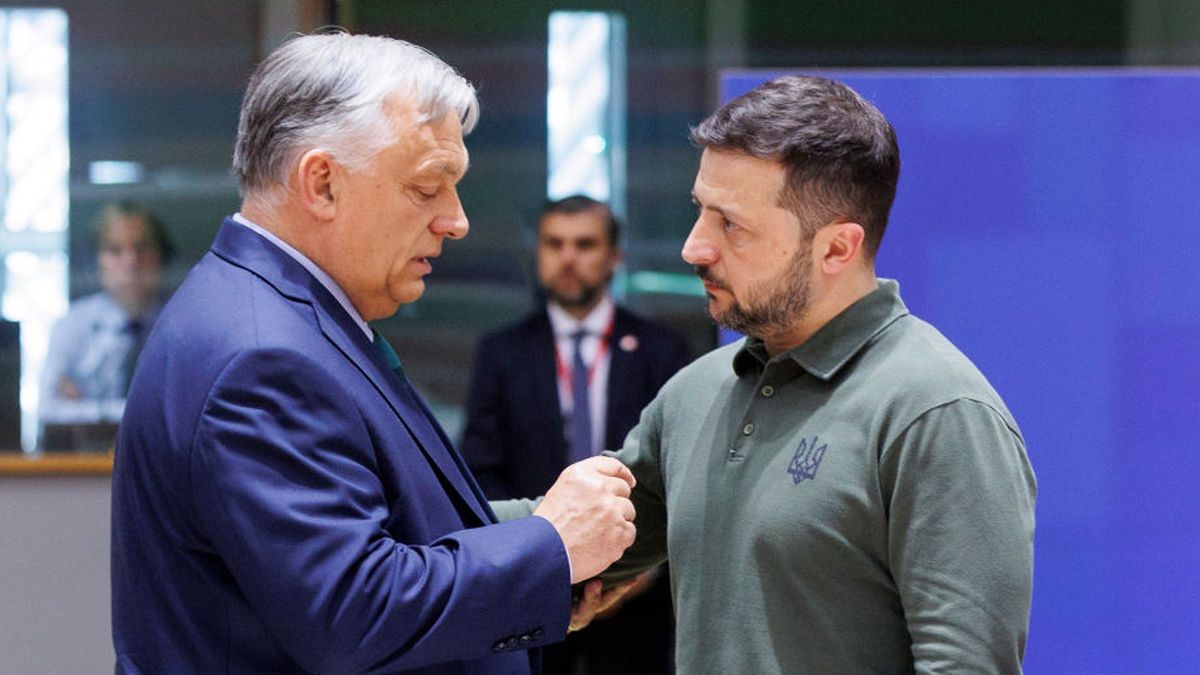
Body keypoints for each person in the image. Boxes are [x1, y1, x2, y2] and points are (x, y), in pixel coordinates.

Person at [110, 32, 638, 675]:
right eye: (428, 187)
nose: (456, 219)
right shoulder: (262, 356)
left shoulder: (286, 314)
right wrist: (550, 547)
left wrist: (545, 541)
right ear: (323, 182)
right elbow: (353, 613)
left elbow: (386, 520)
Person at [501, 75, 1038, 673]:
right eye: (699, 210)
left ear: (836, 248)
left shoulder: (936, 414)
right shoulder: (695, 392)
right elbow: (566, 531)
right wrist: (399, 517)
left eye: (731, 224)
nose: (694, 247)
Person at [461, 195, 690, 674]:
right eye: (554, 244)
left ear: (613, 257)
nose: (568, 258)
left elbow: (680, 469)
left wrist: (639, 568)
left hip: (640, 599)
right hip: (537, 589)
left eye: (585, 244)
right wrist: (535, 562)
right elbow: (482, 471)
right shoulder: (502, 353)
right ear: (538, 254)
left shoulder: (663, 350)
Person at [38, 201, 172, 447]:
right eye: (115, 250)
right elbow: (47, 410)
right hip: (86, 469)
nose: (131, 261)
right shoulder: (72, 326)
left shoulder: (182, 326)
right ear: (98, 260)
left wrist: (86, 409)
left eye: (142, 248)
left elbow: (189, 412)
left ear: (160, 255)